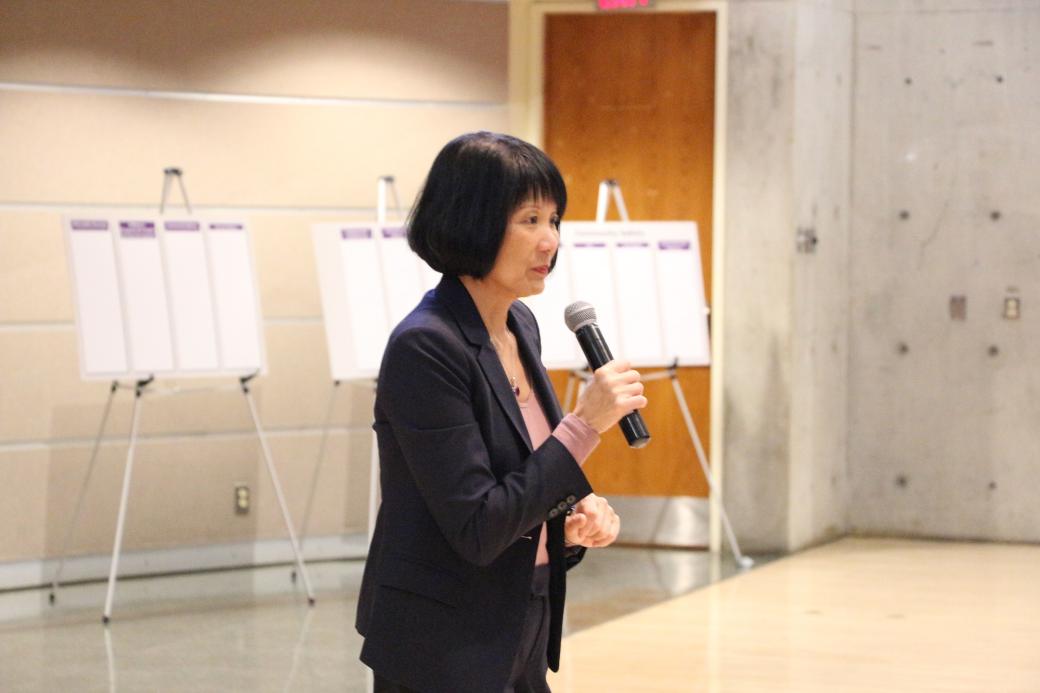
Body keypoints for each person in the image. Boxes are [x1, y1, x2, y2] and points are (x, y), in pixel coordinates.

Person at [355, 131, 648, 693]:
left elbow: (521, 482)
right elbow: (478, 525)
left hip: (520, 621)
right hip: (442, 642)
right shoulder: (426, 346)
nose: (550, 241)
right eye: (529, 220)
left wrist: (568, 524)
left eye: (555, 220)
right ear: (472, 222)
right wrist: (584, 427)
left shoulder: (521, 326)